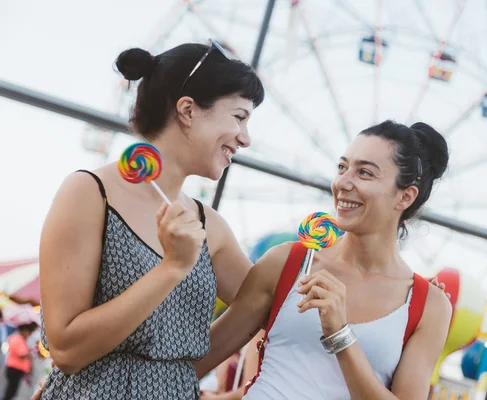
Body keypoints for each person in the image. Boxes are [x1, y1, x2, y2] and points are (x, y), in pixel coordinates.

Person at [36, 39, 265, 399]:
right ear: (187, 110)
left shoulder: (211, 226)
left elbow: (263, 301)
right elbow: (66, 351)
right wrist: (171, 267)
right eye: (239, 116)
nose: (246, 138)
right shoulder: (90, 193)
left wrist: (181, 373)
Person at [194, 120, 453, 399]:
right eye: (342, 167)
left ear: (405, 196)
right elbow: (197, 362)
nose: (342, 182)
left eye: (364, 173)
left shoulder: (428, 306)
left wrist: (340, 335)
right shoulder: (288, 263)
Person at [3, 322, 38, 400]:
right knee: (11, 390)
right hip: (14, 368)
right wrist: (31, 351)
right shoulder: (17, 339)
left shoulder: (20, 339)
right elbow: (22, 355)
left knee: (13, 390)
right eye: (29, 332)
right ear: (24, 330)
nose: (29, 334)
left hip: (17, 369)